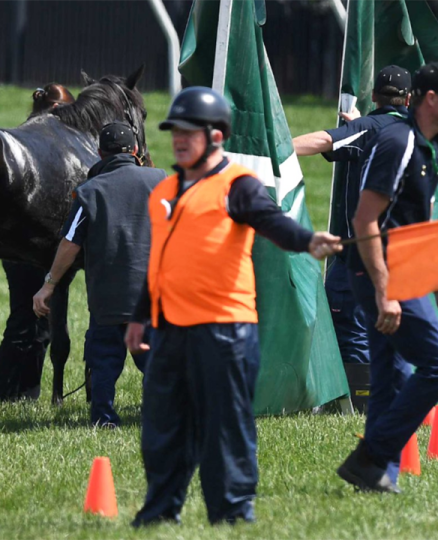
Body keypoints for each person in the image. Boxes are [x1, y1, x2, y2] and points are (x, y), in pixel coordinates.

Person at [126, 87, 342, 525]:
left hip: (225, 331)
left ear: (217, 135)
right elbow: (160, 261)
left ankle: (232, 513)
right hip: (169, 330)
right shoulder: (163, 192)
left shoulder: (238, 186)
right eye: (175, 131)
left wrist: (307, 240)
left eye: (191, 131)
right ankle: (160, 512)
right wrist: (139, 317)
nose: (180, 139)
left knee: (226, 430)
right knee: (162, 428)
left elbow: (273, 221)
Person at [339, 62, 438, 493]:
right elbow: (364, 221)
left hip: (407, 273)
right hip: (381, 274)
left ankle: (379, 475)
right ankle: (372, 454)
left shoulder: (431, 145)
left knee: (391, 377)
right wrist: (385, 294)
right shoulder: (398, 142)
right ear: (430, 99)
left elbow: (420, 225)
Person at [292, 65, 412, 412]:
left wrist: (277, 148)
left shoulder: (369, 129)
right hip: (404, 250)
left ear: (374, 95)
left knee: (351, 324)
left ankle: (361, 404)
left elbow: (323, 141)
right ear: (408, 99)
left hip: (361, 252)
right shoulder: (413, 132)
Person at [32, 121, 167, 426]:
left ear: (99, 153)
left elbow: (69, 245)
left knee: (104, 361)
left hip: (108, 300)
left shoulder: (90, 192)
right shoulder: (161, 181)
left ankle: (104, 416)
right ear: (135, 151)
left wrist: (49, 285)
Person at [0, 83, 76, 402]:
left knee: (21, 317)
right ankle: (20, 394)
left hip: (10, 243)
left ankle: (7, 393)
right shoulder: (52, 143)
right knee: (34, 321)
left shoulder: (29, 135)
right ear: (58, 111)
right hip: (36, 247)